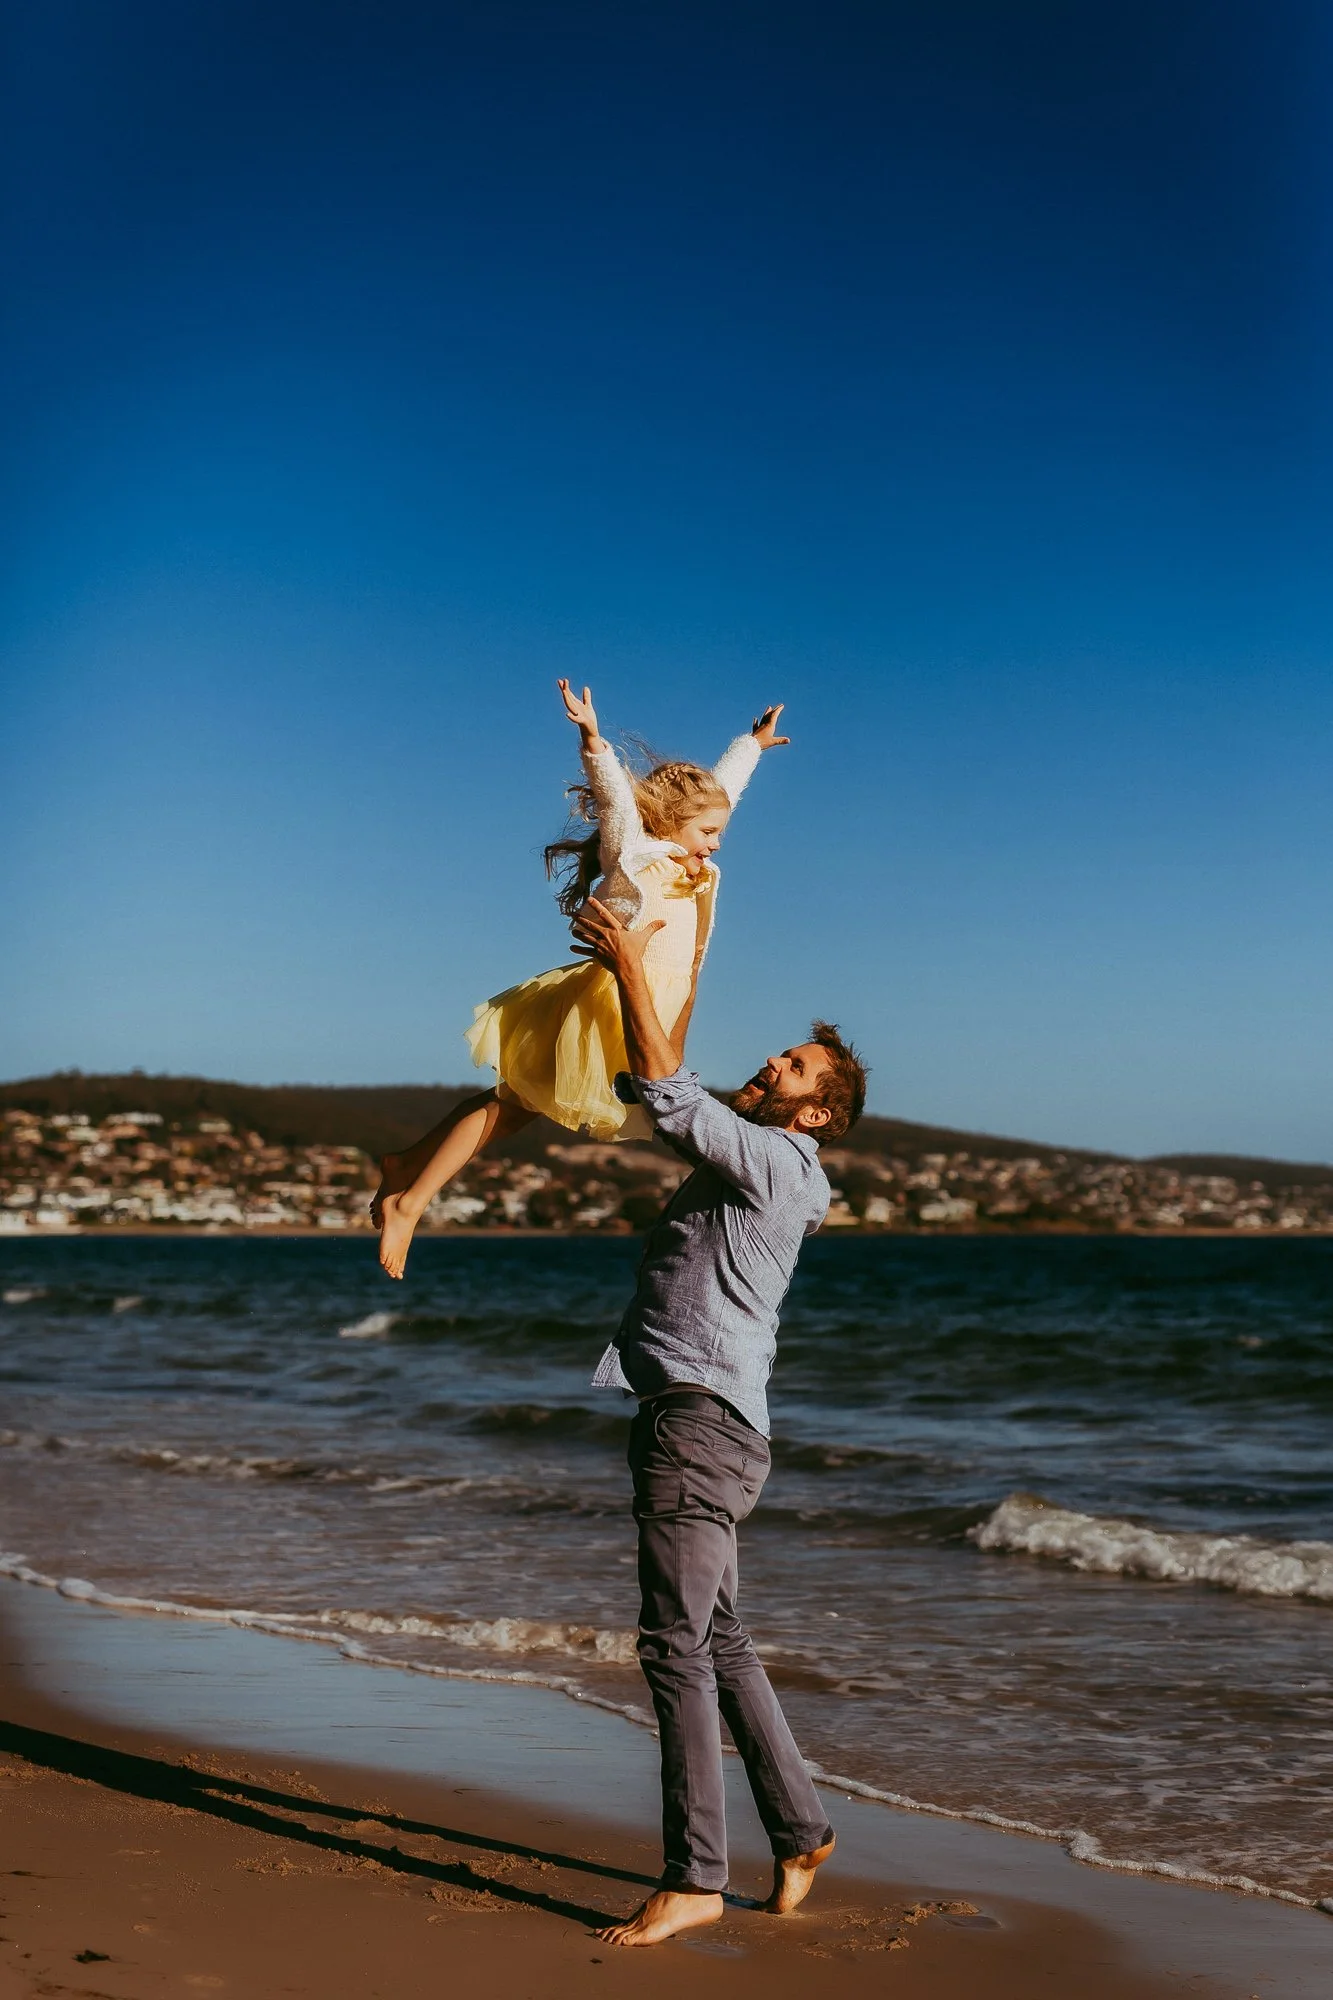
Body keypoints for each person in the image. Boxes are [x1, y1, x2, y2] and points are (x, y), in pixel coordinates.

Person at [568, 891, 868, 1949]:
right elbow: (646, 1080)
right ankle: (800, 1829)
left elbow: (667, 1089)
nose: (772, 1064)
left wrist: (626, 965)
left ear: (817, 1111)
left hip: (698, 1424)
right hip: (709, 1419)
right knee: (720, 1638)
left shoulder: (779, 1160)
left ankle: (694, 1874)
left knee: (673, 1646)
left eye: (791, 1066)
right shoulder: (755, 1156)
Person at [373, 679, 791, 1277]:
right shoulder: (636, 851)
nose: (717, 843)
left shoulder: (692, 853)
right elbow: (618, 798)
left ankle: (405, 1164)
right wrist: (592, 738)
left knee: (517, 1104)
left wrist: (749, 745)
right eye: (707, 833)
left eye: (719, 832)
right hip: (609, 1002)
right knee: (518, 1104)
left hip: (653, 1005)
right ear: (670, 823)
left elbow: (722, 792)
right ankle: (409, 1200)